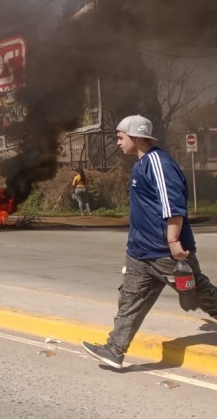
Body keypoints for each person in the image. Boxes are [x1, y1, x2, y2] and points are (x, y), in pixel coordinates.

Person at [82, 115, 217, 369]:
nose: (118, 142)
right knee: (130, 300)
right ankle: (115, 349)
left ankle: (115, 348)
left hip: (165, 252)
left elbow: (173, 204)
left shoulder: (158, 163)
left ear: (136, 137)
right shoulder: (141, 164)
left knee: (202, 295)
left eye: (121, 137)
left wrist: (174, 240)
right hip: (140, 252)